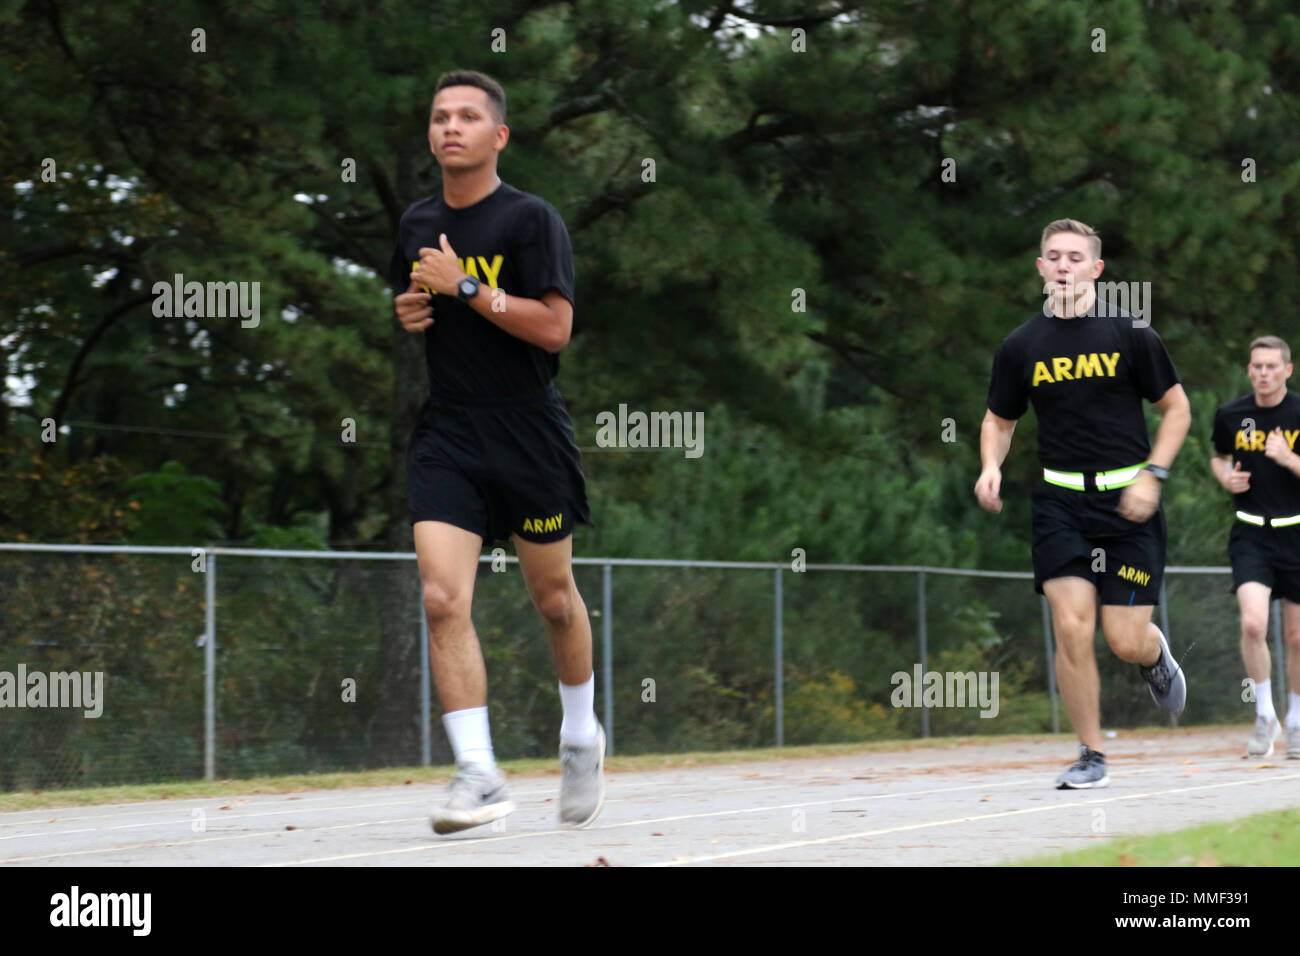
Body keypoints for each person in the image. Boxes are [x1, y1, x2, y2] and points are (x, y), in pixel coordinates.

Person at [390, 70, 604, 833]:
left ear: (498, 136)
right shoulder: (416, 221)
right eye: (440, 115)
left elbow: (555, 330)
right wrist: (413, 308)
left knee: (553, 599)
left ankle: (580, 733)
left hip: (527, 433)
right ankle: (477, 773)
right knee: (441, 597)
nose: (452, 127)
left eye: (469, 117)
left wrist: (467, 291)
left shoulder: (529, 221)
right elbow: (422, 300)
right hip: (449, 432)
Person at [975, 218, 1191, 789]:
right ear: (1041, 268)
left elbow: (1178, 411)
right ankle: (1091, 753)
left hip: (1129, 506)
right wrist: (991, 466)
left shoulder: (1131, 334)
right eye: (1054, 256)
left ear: (1096, 269)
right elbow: (999, 420)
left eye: (1076, 257)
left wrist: (1153, 475)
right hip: (1060, 502)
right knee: (1072, 626)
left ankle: (1153, 655)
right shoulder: (1021, 346)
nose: (1064, 266)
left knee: (1122, 639)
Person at [1210, 336, 1300, 758]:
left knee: (1297, 637)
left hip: (1296, 532)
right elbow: (1219, 456)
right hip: (1251, 533)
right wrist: (1225, 477)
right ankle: (1265, 714)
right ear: (1249, 370)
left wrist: (1289, 459)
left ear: (1287, 370)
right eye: (1256, 366)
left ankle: (1297, 719)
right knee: (1252, 624)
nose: (1263, 373)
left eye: (1271, 366)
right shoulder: (1232, 415)